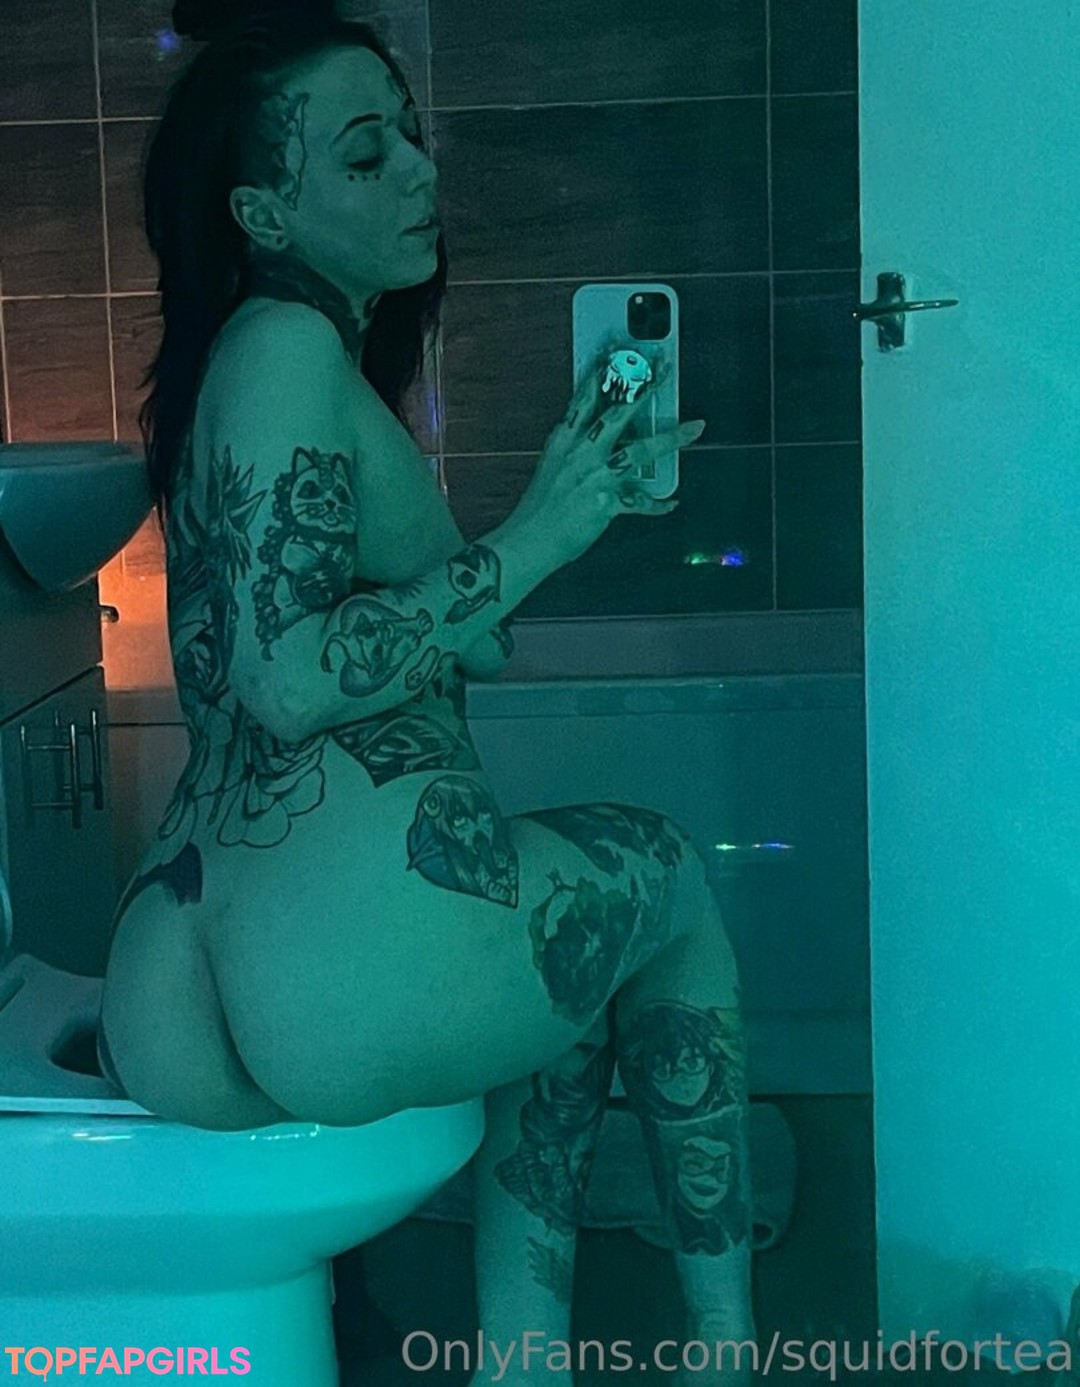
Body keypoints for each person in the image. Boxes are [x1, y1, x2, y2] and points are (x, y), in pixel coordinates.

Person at [98, 1, 755, 1381]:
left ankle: (528, 1359)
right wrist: (540, 533)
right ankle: (724, 1352)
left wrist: (549, 524)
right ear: (263, 213)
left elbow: (450, 641)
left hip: (191, 967)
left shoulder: (270, 367)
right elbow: (287, 678)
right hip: (330, 971)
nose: (416, 169)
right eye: (363, 154)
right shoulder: (286, 351)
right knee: (671, 882)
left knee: (560, 943)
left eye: (407, 134)